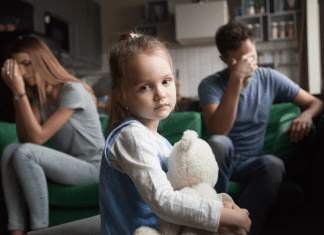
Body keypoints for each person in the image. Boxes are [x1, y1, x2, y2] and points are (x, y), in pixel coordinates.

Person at [99, 32, 252, 235]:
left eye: (166, 81)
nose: (160, 94)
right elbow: (164, 200)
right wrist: (225, 216)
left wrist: (222, 203)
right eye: (145, 87)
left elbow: (183, 191)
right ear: (123, 97)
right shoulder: (131, 137)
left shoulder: (160, 142)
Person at [198, 20, 324, 235]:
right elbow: (219, 131)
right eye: (241, 60)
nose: (250, 64)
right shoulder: (210, 84)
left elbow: (316, 102)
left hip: (250, 162)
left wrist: (307, 115)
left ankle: (240, 230)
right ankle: (215, 221)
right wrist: (236, 79)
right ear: (225, 60)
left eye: (253, 57)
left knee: (274, 164)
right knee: (219, 142)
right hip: (220, 161)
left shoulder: (269, 78)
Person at [0, 36, 105, 235]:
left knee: (26, 152)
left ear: (41, 61)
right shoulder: (41, 98)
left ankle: (41, 229)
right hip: (71, 165)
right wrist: (17, 94)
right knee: (10, 150)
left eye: (26, 63)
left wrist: (19, 91)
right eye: (18, 66)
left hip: (95, 167)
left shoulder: (73, 90)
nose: (21, 71)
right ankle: (16, 230)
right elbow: (25, 138)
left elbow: (37, 140)